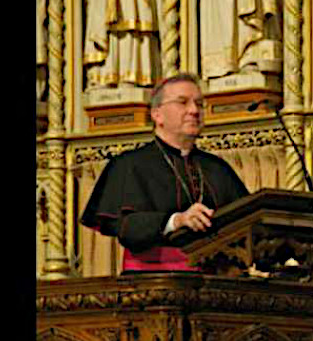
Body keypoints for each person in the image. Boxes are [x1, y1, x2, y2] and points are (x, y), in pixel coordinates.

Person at [80, 73, 250, 272]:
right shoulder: (129, 165)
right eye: (183, 102)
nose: (194, 110)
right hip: (155, 282)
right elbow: (127, 229)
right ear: (157, 114)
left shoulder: (218, 168)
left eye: (199, 104)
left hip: (218, 281)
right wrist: (176, 221)